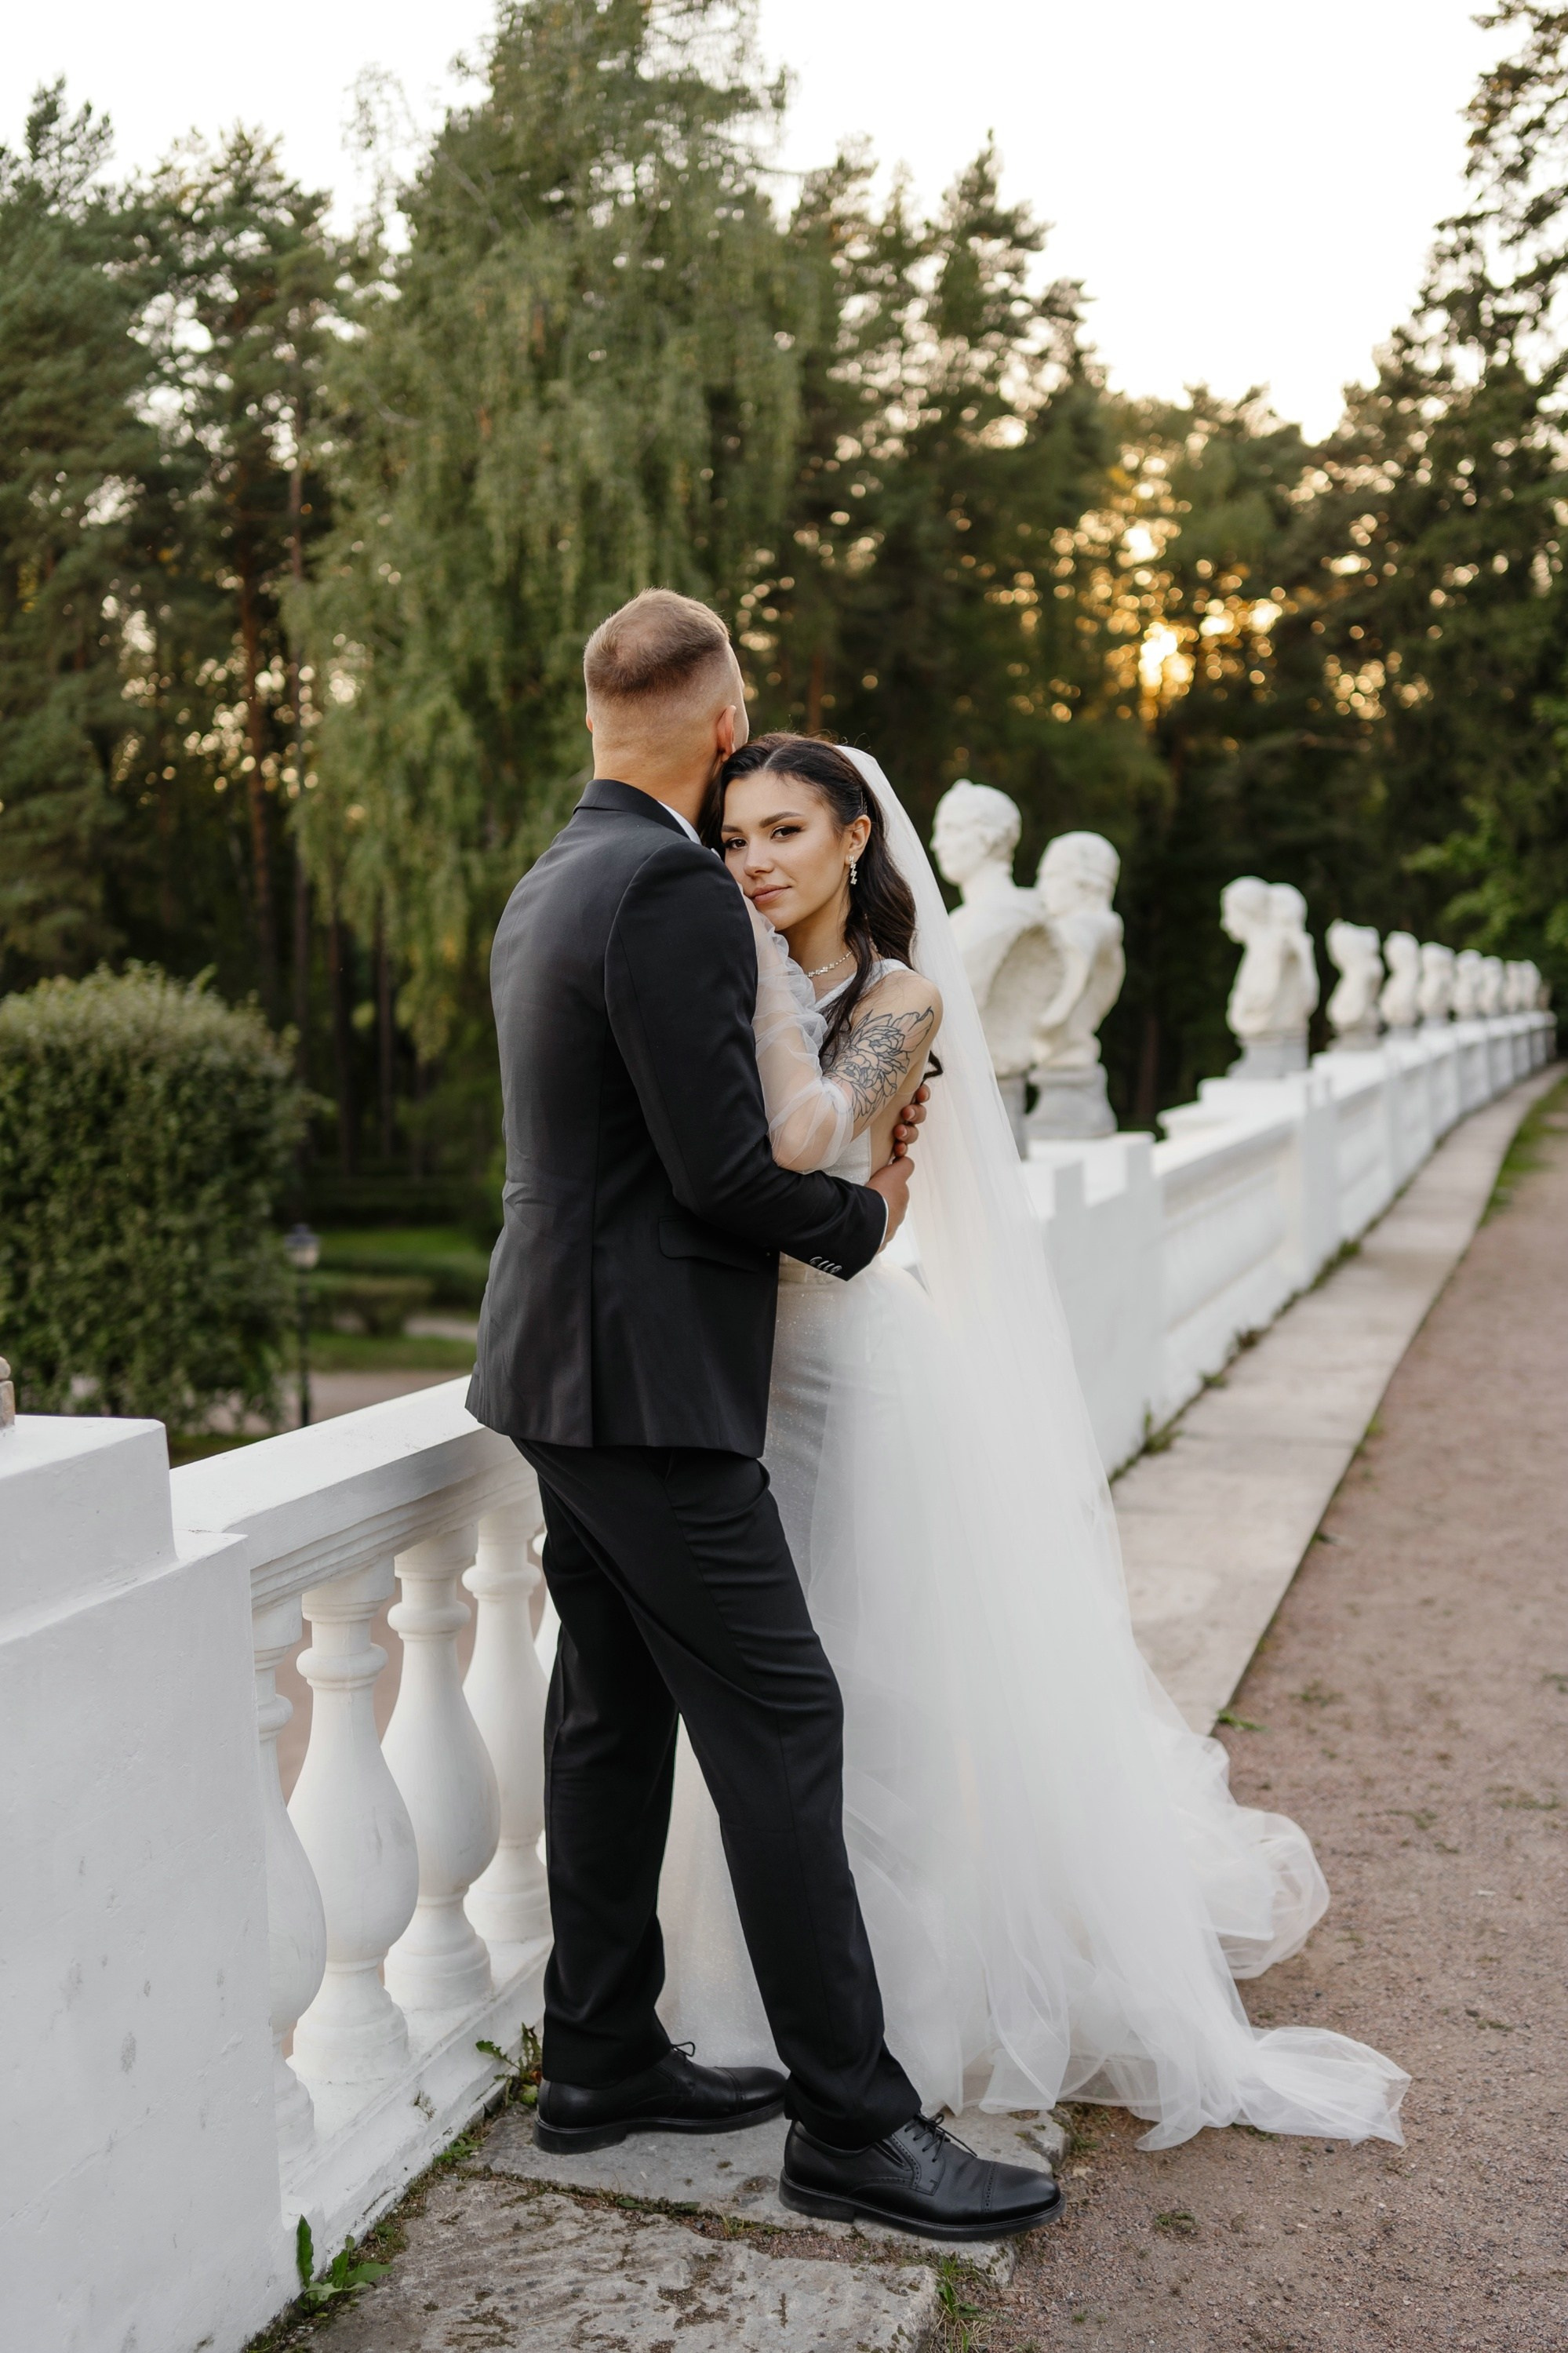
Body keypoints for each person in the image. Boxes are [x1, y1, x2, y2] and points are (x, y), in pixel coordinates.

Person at [655, 732, 1410, 2153]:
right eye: (734, 839)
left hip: (839, 1376)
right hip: (720, 1380)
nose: (752, 863)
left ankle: (910, 2003)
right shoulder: (718, 964)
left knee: (865, 1694)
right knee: (752, 1708)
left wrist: (763, 1018)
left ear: (855, 842)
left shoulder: (902, 998)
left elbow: (801, 1158)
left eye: (783, 835)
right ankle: (760, 1987)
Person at [468, 589, 1063, 2242]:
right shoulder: (664, 889)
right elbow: (721, 1170)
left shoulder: (551, 877)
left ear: (600, 717)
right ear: (724, 726)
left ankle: (596, 2058)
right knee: (787, 1721)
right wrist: (866, 1227)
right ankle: (856, 2129)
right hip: (647, 1386)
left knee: (608, 1705)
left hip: (558, 1367)